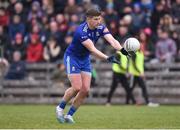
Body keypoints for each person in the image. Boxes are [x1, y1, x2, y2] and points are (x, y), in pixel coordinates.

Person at [56, 7, 130, 124]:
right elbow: (92, 49)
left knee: (85, 90)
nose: (99, 21)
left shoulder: (100, 27)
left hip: (84, 59)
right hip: (73, 58)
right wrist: (107, 58)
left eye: (99, 19)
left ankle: (69, 115)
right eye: (96, 19)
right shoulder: (81, 31)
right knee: (77, 87)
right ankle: (60, 108)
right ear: (88, 19)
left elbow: (112, 40)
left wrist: (122, 50)